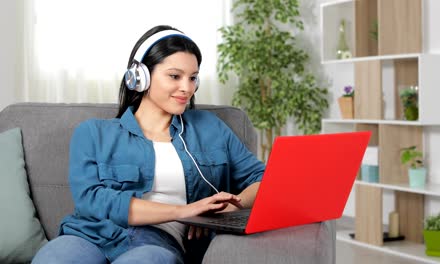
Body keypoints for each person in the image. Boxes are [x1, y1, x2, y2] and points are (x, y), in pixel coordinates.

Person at [32, 25, 265, 264]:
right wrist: (184, 211)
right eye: (175, 76)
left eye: (193, 77)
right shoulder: (93, 133)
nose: (187, 88)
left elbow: (267, 181)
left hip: (157, 242)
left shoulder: (210, 128)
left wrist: (229, 210)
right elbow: (91, 199)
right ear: (140, 77)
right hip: (88, 236)